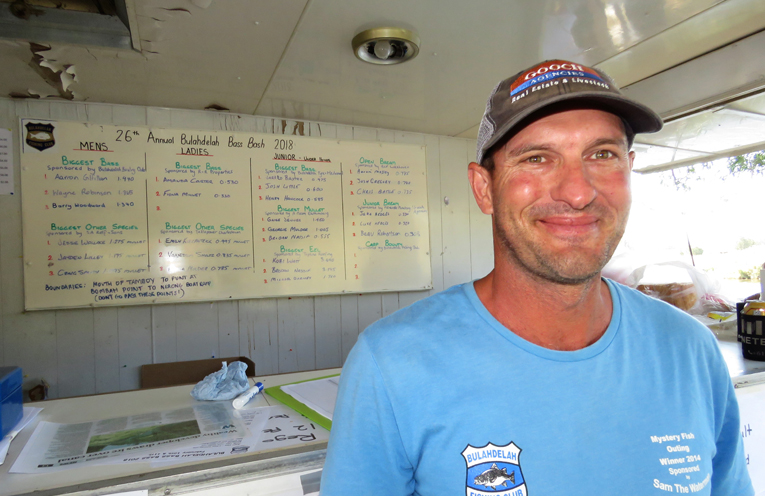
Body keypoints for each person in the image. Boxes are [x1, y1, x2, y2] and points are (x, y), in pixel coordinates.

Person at [320, 60, 753, 496]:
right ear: (484, 189)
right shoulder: (392, 363)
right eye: (536, 158)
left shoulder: (691, 351)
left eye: (602, 154)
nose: (578, 191)